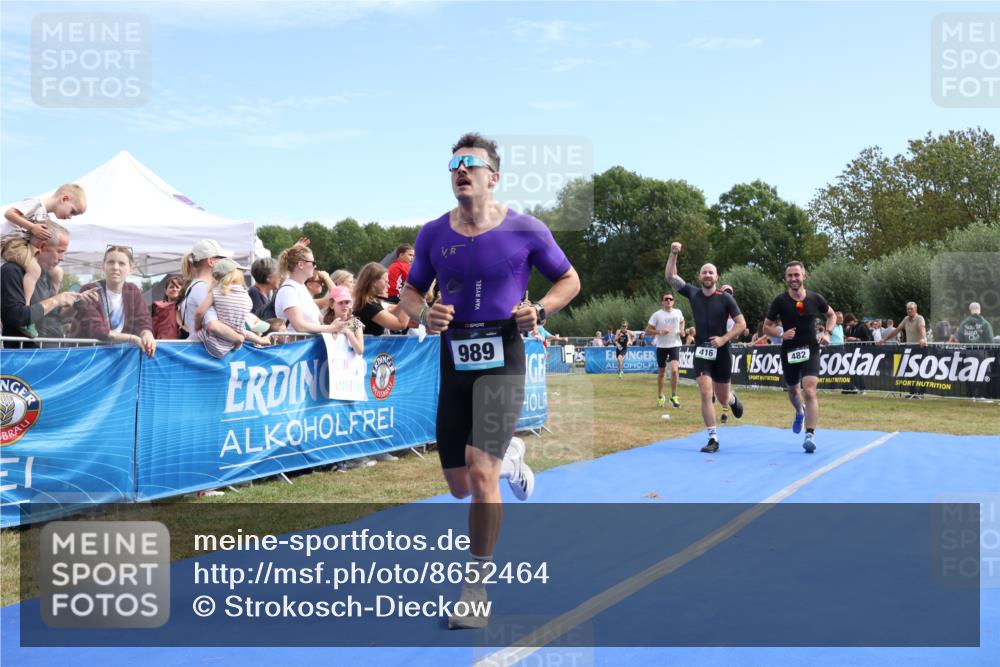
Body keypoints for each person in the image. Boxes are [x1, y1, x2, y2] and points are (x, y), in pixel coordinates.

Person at [399, 132, 579, 629]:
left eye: (471, 164)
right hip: (455, 360)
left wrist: (539, 309)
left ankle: (475, 590)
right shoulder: (433, 233)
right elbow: (411, 294)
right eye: (454, 163)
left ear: (492, 177)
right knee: (460, 486)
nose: (461, 170)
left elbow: (570, 279)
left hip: (504, 353)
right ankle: (512, 460)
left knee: (480, 473)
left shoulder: (526, 229)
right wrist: (423, 314)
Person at [666, 242, 745, 453]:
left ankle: (733, 399)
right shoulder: (693, 293)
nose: (707, 275)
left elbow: (741, 324)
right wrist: (673, 254)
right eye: (704, 272)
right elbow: (671, 277)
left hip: (722, 353)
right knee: (705, 391)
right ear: (700, 276)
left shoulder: (726, 298)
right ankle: (713, 438)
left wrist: (724, 339)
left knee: (722, 397)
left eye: (711, 272)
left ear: (716, 277)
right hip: (701, 352)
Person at [762, 260, 837, 453]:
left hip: (811, 349)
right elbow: (765, 327)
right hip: (789, 352)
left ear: (804, 276)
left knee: (810, 390)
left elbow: (832, 315)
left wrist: (827, 333)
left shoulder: (815, 298)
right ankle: (799, 411)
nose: (794, 279)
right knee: (794, 393)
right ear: (786, 278)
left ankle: (810, 434)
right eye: (790, 275)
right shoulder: (780, 301)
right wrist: (780, 334)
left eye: (797, 275)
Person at [2, 184, 86, 338]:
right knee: (34, 270)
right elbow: (9, 213)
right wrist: (32, 227)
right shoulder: (35, 203)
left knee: (55, 272)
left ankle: (39, 306)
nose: (70, 217)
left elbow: (53, 317)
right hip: (11, 243)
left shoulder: (44, 216)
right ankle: (26, 312)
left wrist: (69, 302)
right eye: (72, 212)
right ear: (64, 199)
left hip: (50, 353)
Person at [1, 221, 98, 347]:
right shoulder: (12, 271)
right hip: (27, 359)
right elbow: (17, 317)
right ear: (41, 246)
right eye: (60, 251)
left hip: (53, 355)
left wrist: (77, 305)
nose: (63, 258)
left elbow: (55, 318)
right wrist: (56, 300)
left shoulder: (48, 274)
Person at [71, 245, 157, 358]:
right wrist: (132, 339)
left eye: (121, 263)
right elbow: (97, 330)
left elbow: (143, 321)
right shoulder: (90, 290)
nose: (115, 267)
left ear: (131, 269)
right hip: (86, 356)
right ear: (103, 267)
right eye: (111, 262)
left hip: (117, 357)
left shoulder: (133, 290)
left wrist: (147, 334)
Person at [193, 258, 271, 358]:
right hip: (231, 346)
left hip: (211, 343)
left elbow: (199, 313)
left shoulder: (215, 292)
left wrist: (197, 327)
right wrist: (259, 340)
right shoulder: (246, 298)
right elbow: (241, 328)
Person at [272, 244, 344, 336]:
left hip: (307, 346)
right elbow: (300, 326)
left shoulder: (301, 287)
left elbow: (319, 319)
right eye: (313, 263)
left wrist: (342, 325)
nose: (315, 266)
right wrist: (331, 328)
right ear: (301, 265)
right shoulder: (288, 290)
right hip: (297, 348)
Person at [646, 292, 685, 408]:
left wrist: (682, 330)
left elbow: (682, 321)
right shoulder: (657, 315)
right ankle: (660, 396)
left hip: (675, 344)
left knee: (674, 370)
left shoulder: (678, 312)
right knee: (662, 372)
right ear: (663, 302)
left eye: (670, 299)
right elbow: (648, 330)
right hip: (661, 346)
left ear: (673, 301)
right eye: (666, 299)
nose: (668, 301)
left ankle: (674, 396)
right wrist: (659, 332)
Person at [353, 262, 410, 336]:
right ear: (374, 282)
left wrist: (404, 300)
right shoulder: (368, 306)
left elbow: (392, 314)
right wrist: (409, 298)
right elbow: (401, 324)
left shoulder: (370, 302)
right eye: (386, 282)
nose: (388, 286)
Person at [151, 274, 183, 339]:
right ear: (166, 291)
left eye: (177, 287)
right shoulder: (158, 306)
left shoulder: (185, 306)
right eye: (171, 287)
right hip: (163, 343)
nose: (174, 289)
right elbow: (153, 328)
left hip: (181, 344)